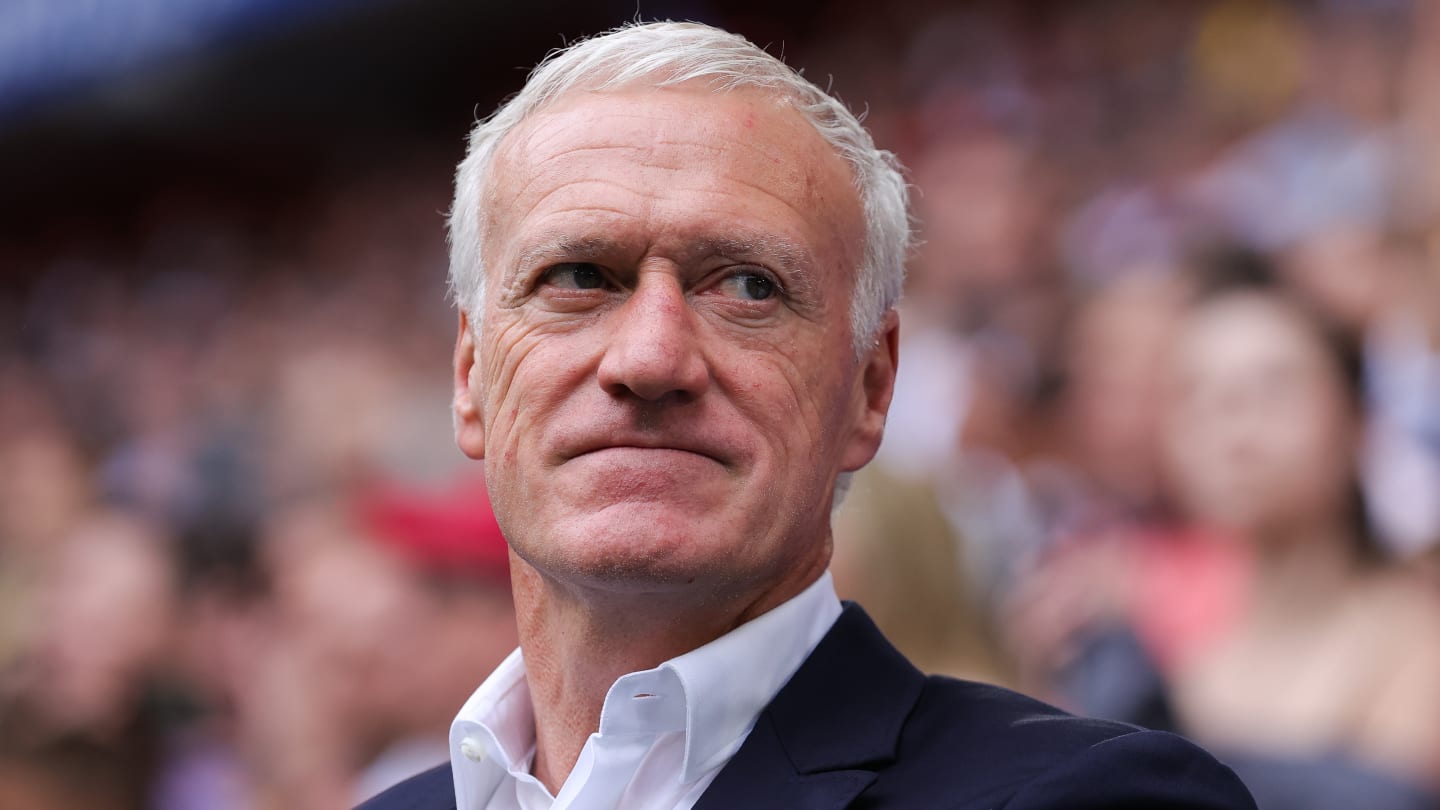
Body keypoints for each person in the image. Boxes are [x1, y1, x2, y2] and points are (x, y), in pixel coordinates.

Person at [360, 21, 1255, 810]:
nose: (650, 358)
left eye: (748, 287)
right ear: (471, 376)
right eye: (579, 277)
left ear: (871, 389)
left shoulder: (1092, 797)